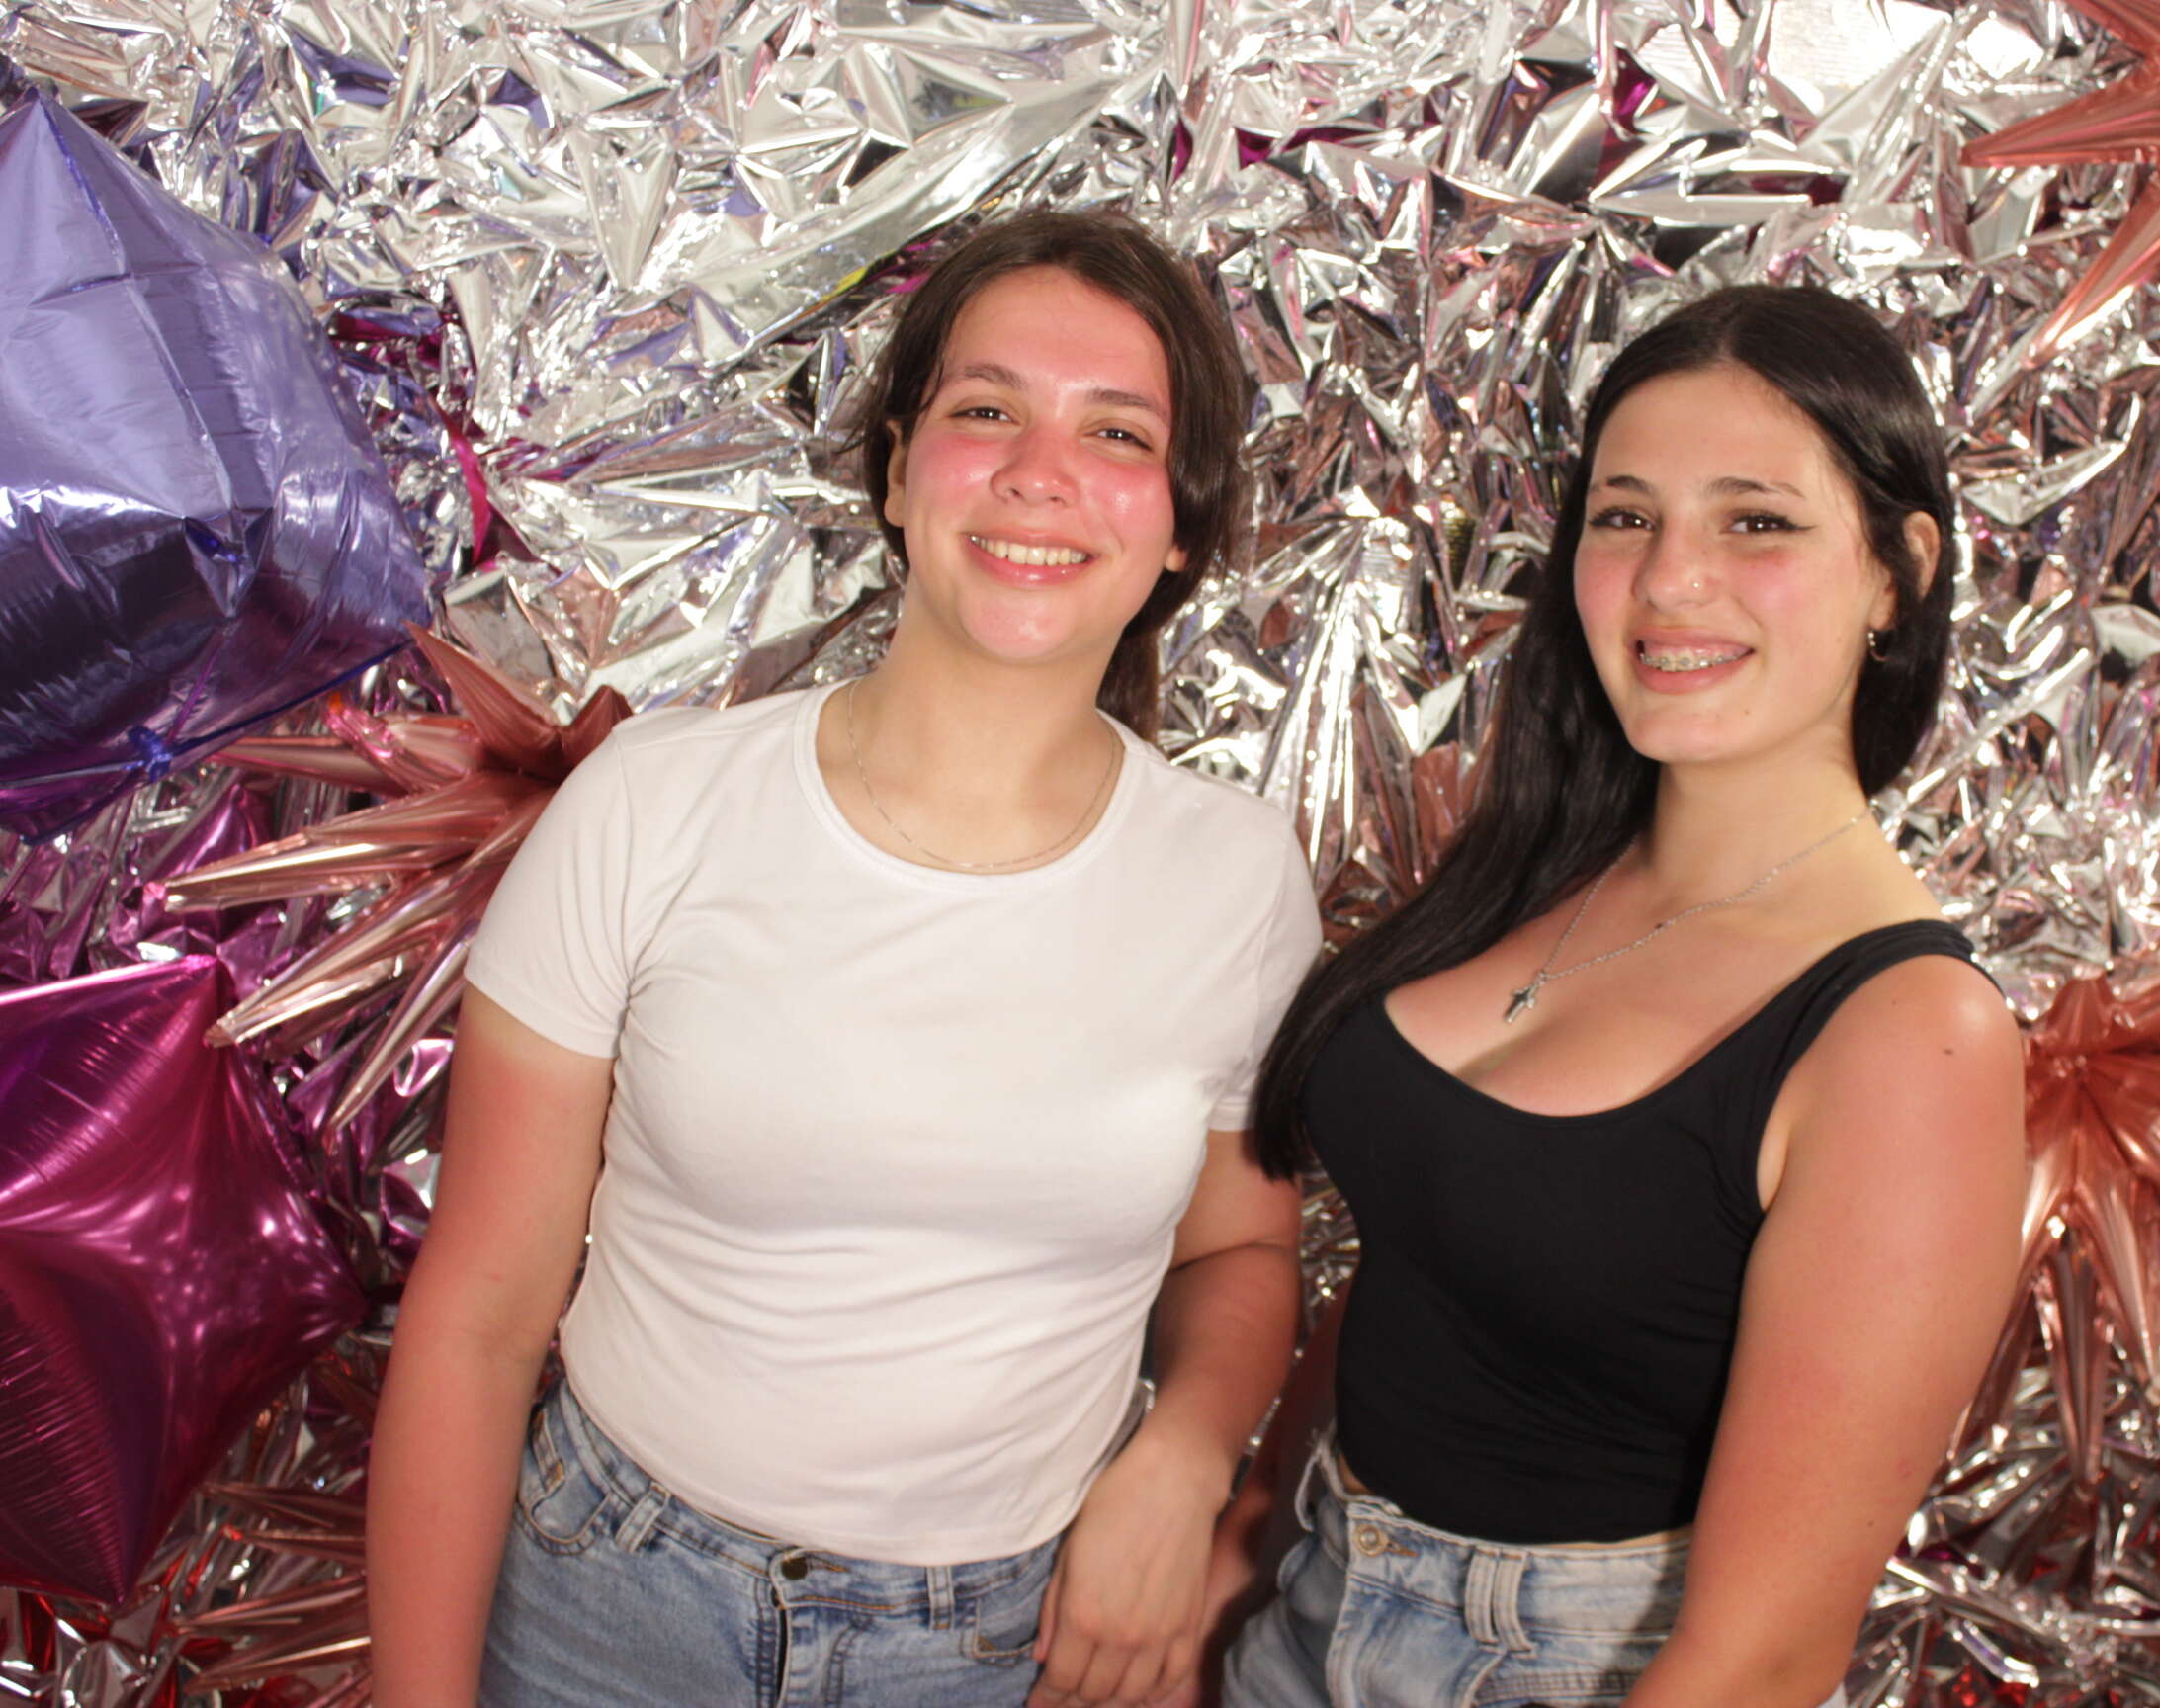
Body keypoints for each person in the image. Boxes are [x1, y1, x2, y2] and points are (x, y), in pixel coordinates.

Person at [366, 210, 1322, 1708]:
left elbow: (1240, 1254)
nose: (1039, 471)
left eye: (1117, 432)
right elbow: (480, 1316)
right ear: (895, 469)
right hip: (607, 1601)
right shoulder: (653, 804)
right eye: (986, 410)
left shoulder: (1240, 880)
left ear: (1181, 525)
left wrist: (1189, 1453)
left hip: (1000, 1645)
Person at [1214, 285, 2028, 1708]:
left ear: (1897, 572)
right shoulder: (1540, 866)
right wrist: (1241, 1537)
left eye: (1756, 521)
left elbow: (1760, 1664)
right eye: (1625, 515)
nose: (1669, 581)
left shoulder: (1908, 1034)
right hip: (1303, 1611)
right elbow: (1438, 1249)